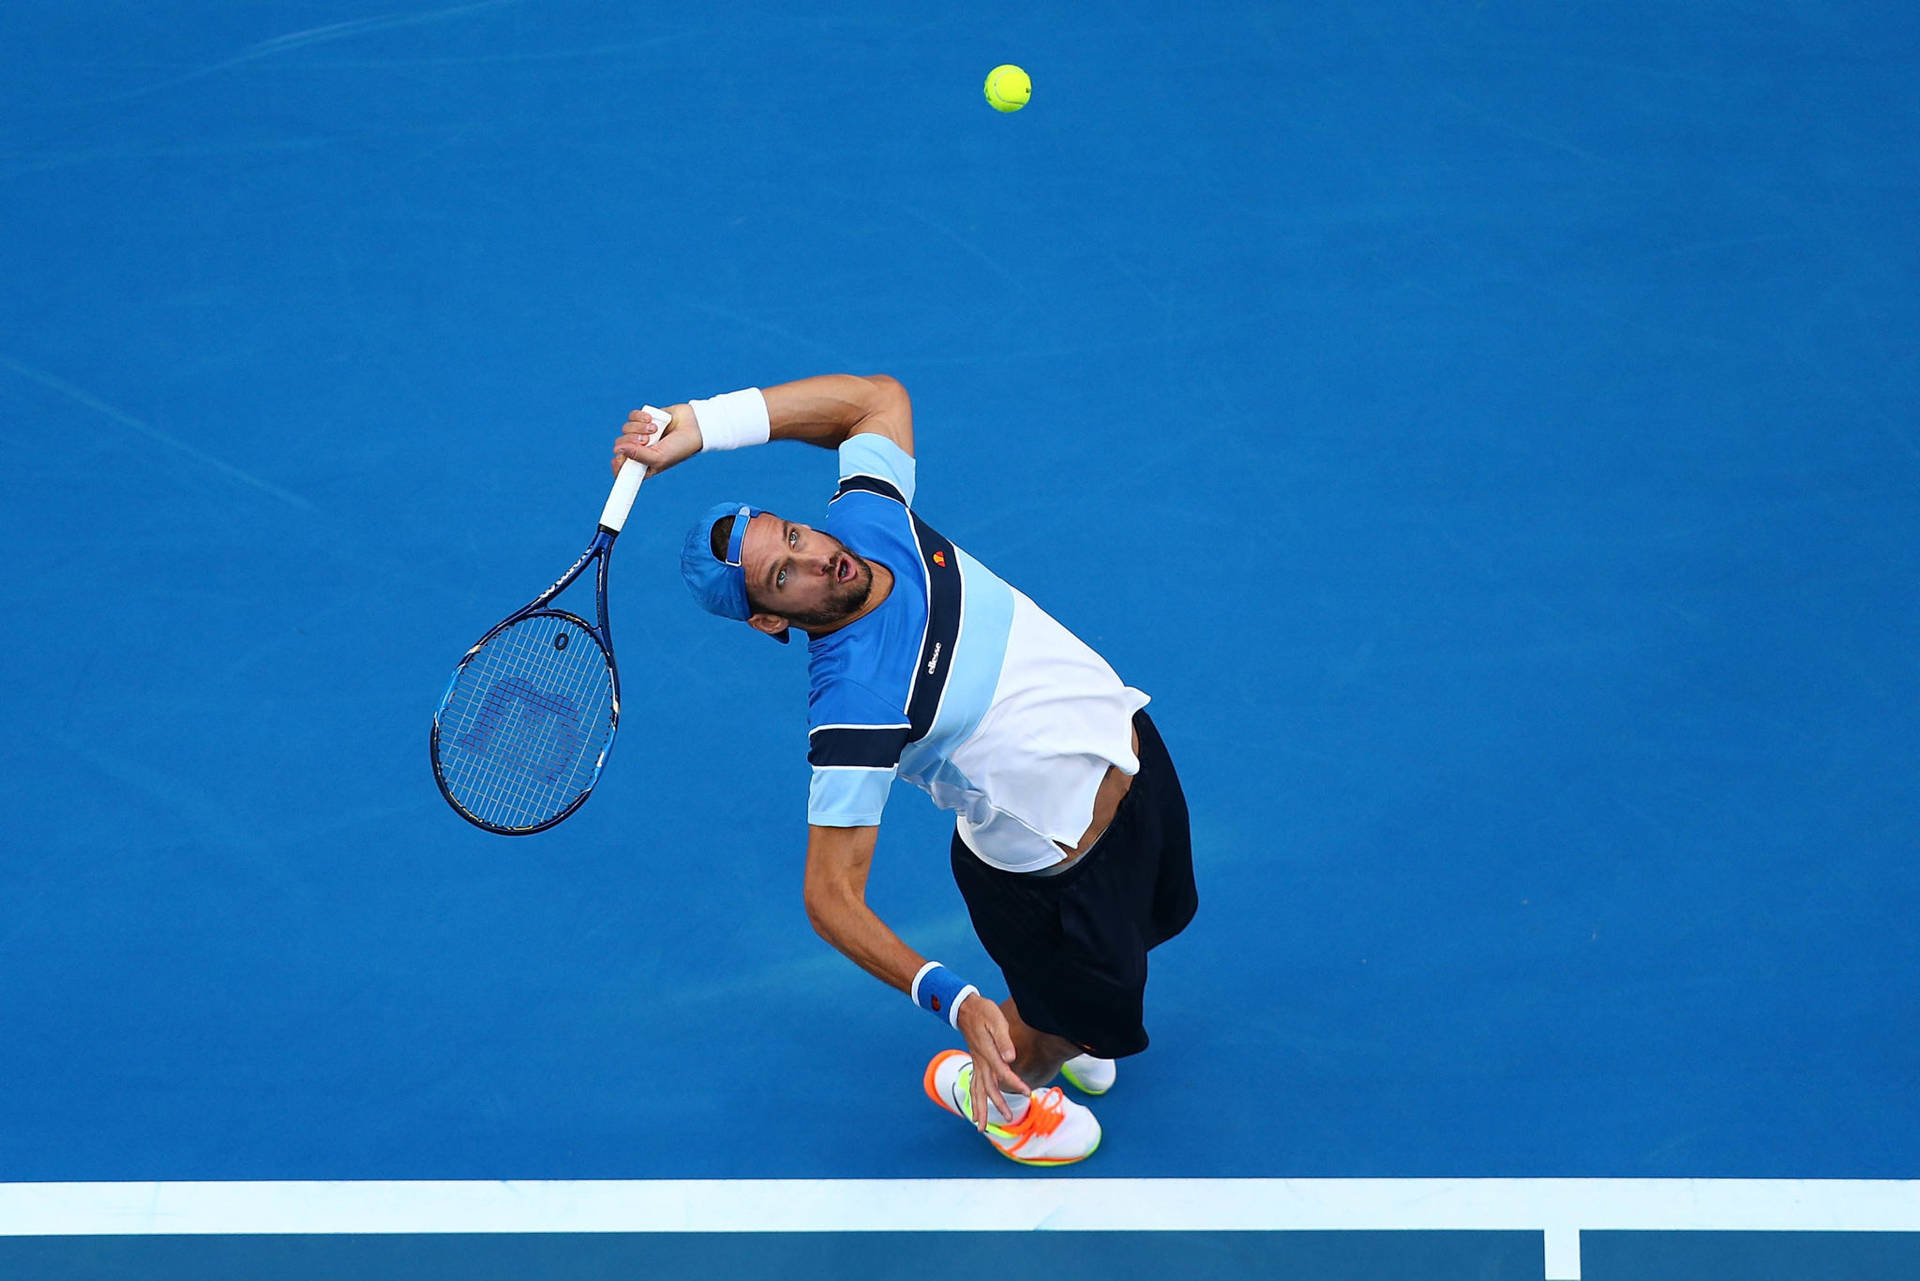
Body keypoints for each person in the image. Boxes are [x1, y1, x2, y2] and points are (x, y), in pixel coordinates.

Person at [611, 374, 1196, 1165]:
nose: (818, 556)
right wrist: (949, 996)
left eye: (792, 535)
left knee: (1160, 919)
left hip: (1130, 750)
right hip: (1064, 880)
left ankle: (1070, 1014)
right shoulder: (853, 703)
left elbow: (875, 399)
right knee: (1049, 1034)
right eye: (785, 576)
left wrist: (700, 423)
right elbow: (829, 895)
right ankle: (995, 1093)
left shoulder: (872, 519)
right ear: (768, 619)